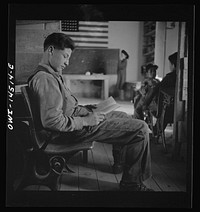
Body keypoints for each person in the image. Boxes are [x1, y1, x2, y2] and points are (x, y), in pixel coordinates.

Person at [28, 32, 153, 191]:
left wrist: (88, 109)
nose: (67, 62)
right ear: (51, 50)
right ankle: (132, 184)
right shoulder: (46, 78)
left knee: (121, 115)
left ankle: (119, 164)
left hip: (71, 125)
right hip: (67, 133)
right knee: (140, 128)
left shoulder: (50, 75)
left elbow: (67, 107)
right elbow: (52, 121)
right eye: (65, 56)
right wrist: (87, 120)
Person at [134, 52, 181, 131]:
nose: (153, 73)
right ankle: (148, 127)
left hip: (162, 108)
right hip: (173, 108)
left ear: (173, 65)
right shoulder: (180, 77)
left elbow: (154, 91)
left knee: (139, 107)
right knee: (139, 101)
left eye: (154, 71)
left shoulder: (167, 78)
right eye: (151, 71)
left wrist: (146, 103)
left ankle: (142, 127)